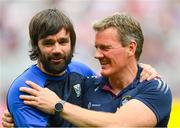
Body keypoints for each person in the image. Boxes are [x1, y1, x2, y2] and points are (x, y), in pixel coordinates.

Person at [3, 9, 160, 127]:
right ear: (36, 46)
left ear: (72, 43)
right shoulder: (26, 90)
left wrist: (140, 69)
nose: (57, 49)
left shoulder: (81, 71)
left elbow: (114, 88)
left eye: (63, 42)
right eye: (48, 43)